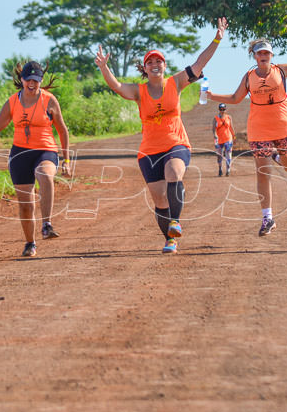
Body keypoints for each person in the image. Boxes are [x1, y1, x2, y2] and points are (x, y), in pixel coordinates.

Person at [94, 18, 227, 254]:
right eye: (150, 62)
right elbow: (116, 86)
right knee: (159, 199)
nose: (155, 64)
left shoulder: (175, 82)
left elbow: (200, 62)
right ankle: (169, 239)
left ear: (164, 65)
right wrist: (104, 67)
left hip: (176, 143)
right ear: (145, 68)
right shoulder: (138, 90)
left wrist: (217, 38)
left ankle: (175, 221)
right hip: (149, 151)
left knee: (173, 172)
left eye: (159, 61)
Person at [207, 31, 287, 236]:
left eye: (266, 52)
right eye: (259, 53)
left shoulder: (282, 70)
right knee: (263, 172)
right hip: (259, 129)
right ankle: (267, 218)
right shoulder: (248, 77)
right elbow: (235, 98)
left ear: (271, 55)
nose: (263, 56)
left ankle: (277, 156)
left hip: (284, 126)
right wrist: (212, 95)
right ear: (255, 57)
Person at [0, 61, 71, 258]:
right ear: (21, 80)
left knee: (44, 175)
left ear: (41, 81)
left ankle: (47, 224)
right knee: (26, 205)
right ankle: (30, 243)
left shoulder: (49, 100)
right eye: (28, 80)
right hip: (20, 154)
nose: (32, 84)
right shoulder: (13, 102)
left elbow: (62, 130)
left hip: (45, 149)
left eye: (36, 80)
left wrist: (66, 160)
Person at [212, 103, 234, 177]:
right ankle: (220, 169)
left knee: (228, 154)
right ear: (219, 109)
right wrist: (215, 135)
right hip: (219, 139)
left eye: (224, 109)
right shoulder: (215, 119)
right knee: (219, 156)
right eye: (221, 109)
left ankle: (228, 169)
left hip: (228, 138)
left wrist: (234, 135)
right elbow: (213, 129)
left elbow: (231, 127)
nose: (222, 111)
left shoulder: (229, 117)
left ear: (226, 109)